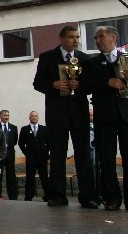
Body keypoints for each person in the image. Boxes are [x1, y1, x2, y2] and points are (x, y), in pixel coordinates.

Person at [84, 26, 128, 212]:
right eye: (95, 38)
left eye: (101, 36)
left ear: (113, 38)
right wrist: (107, 82)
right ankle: (111, 199)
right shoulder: (92, 62)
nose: (97, 40)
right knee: (106, 159)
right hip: (105, 116)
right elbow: (85, 85)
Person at [32, 26, 97, 208]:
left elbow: (91, 85)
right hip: (56, 113)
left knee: (83, 156)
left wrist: (80, 85)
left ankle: (88, 196)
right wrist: (53, 85)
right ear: (61, 38)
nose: (75, 41)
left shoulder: (85, 58)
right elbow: (37, 83)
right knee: (57, 155)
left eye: (77, 37)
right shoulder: (47, 57)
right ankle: (58, 196)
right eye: (71, 37)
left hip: (79, 114)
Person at [18, 111, 49, 201]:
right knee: (30, 178)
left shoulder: (44, 129)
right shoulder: (24, 129)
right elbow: (21, 143)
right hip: (31, 158)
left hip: (42, 158)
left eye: (35, 116)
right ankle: (28, 196)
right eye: (32, 116)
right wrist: (27, 153)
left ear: (38, 117)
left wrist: (45, 153)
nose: (34, 117)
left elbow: (49, 143)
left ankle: (48, 196)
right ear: (29, 118)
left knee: (44, 178)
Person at [0, 110, 19, 200]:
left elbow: (15, 141)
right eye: (5, 115)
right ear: (0, 116)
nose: (6, 117)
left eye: (8, 115)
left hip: (10, 155)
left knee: (11, 176)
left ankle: (13, 195)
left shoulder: (13, 127)